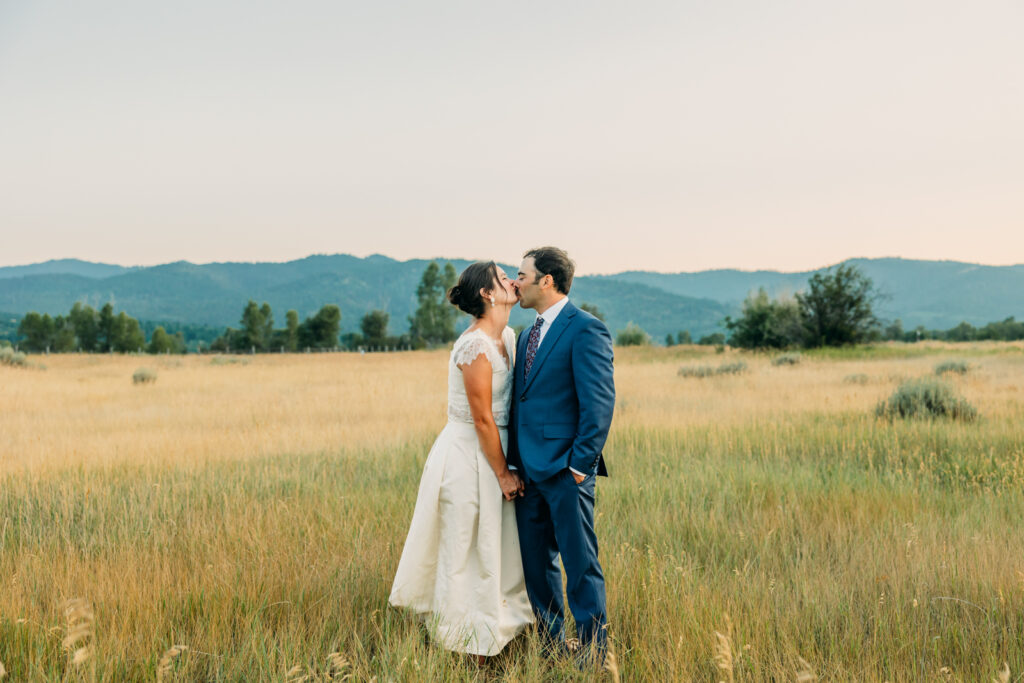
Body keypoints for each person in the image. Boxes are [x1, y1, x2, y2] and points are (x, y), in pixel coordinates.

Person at [389, 261, 534, 659]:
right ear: (488, 293)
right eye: (503, 278)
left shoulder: (508, 334)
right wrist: (503, 473)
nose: (511, 281)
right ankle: (460, 635)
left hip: (497, 446)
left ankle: (500, 618)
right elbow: (483, 417)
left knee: (495, 539)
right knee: (465, 539)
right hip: (469, 452)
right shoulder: (474, 346)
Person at [508, 246, 616, 666]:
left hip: (566, 471)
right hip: (528, 472)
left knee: (580, 565)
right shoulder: (525, 334)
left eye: (522, 275)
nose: (516, 282)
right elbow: (523, 402)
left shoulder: (586, 329)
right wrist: (515, 464)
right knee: (538, 567)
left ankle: (593, 654)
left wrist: (579, 466)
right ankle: (552, 650)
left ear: (546, 281)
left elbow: (599, 404)